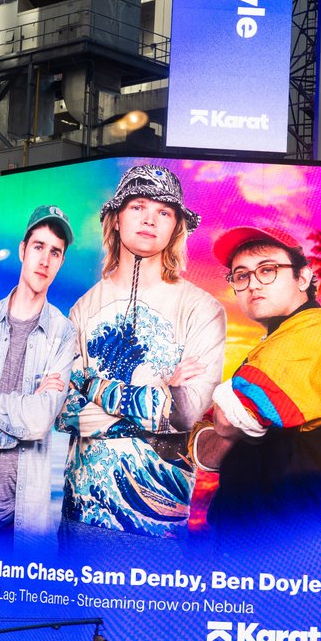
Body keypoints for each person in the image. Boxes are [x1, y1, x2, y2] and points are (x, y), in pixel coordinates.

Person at [56, 164, 226, 541]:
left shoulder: (203, 308)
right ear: (116, 219)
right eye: (138, 207)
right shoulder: (82, 309)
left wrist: (91, 387)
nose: (150, 219)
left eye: (163, 211)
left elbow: (184, 413)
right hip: (79, 513)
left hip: (158, 521)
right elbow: (62, 409)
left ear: (176, 226)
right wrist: (157, 392)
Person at [189, 225, 321, 531]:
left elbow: (232, 415)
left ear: (302, 278)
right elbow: (204, 454)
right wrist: (229, 414)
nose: (252, 284)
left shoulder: (318, 323)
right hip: (240, 534)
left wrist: (229, 417)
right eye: (241, 275)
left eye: (267, 270)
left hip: (286, 537)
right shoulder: (267, 349)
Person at [0, 205, 78, 532]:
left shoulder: (63, 332)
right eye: (38, 247)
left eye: (55, 252)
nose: (45, 260)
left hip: (24, 520)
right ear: (22, 250)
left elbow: (38, 422)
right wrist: (23, 406)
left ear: (61, 262)